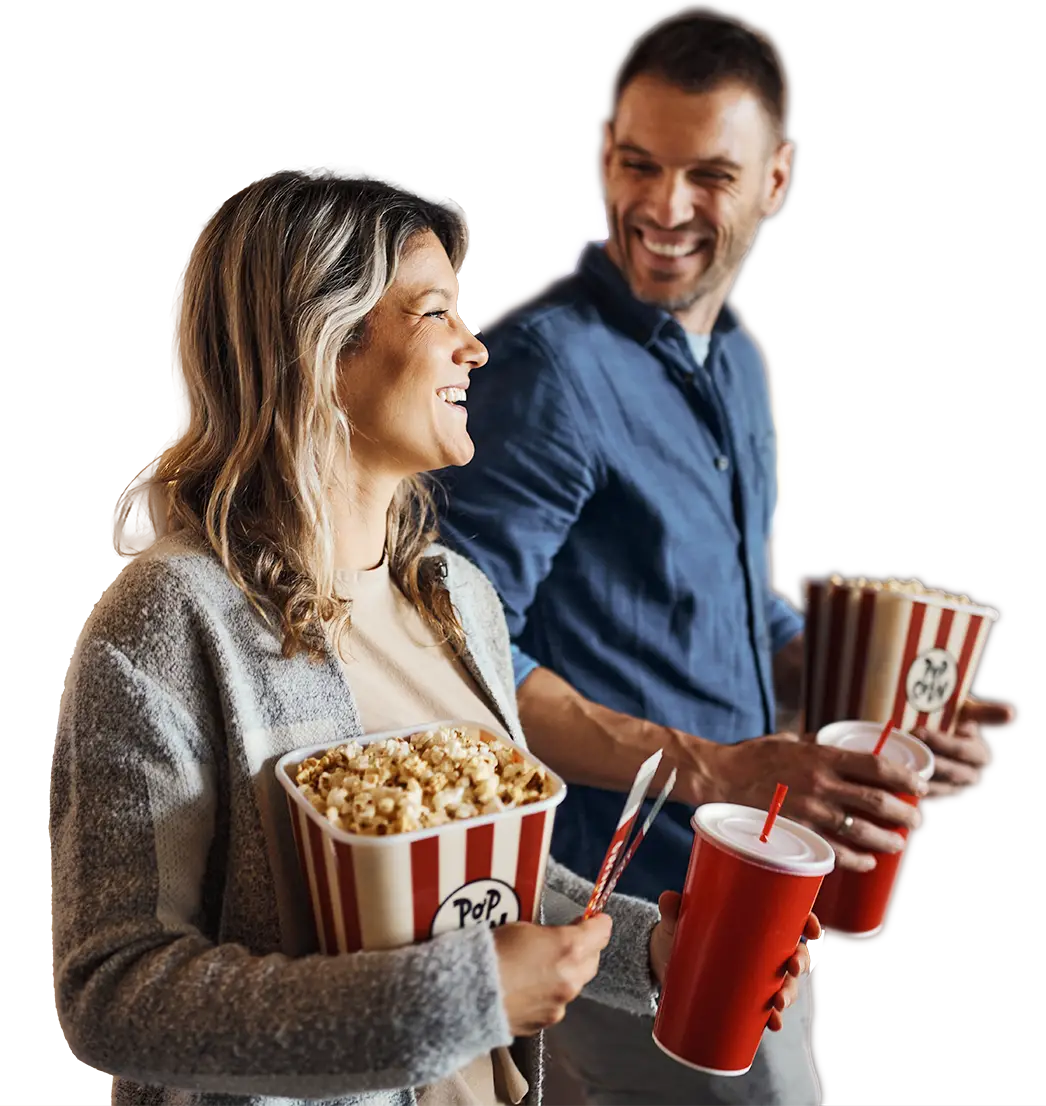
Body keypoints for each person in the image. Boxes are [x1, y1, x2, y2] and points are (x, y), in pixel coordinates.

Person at [49, 161, 817, 1106]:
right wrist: (469, 993)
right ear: (318, 345)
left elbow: (489, 884)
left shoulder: (460, 600)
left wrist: (658, 947)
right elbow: (112, 996)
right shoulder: (171, 620)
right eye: (433, 313)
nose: (476, 349)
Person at [436, 6, 1015, 1105]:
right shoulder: (544, 371)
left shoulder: (737, 358)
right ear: (604, 154)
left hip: (763, 892)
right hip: (629, 911)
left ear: (775, 181)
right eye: (636, 163)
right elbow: (457, 660)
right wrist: (720, 766)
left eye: (708, 173)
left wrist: (890, 700)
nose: (660, 207)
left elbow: (722, 596)